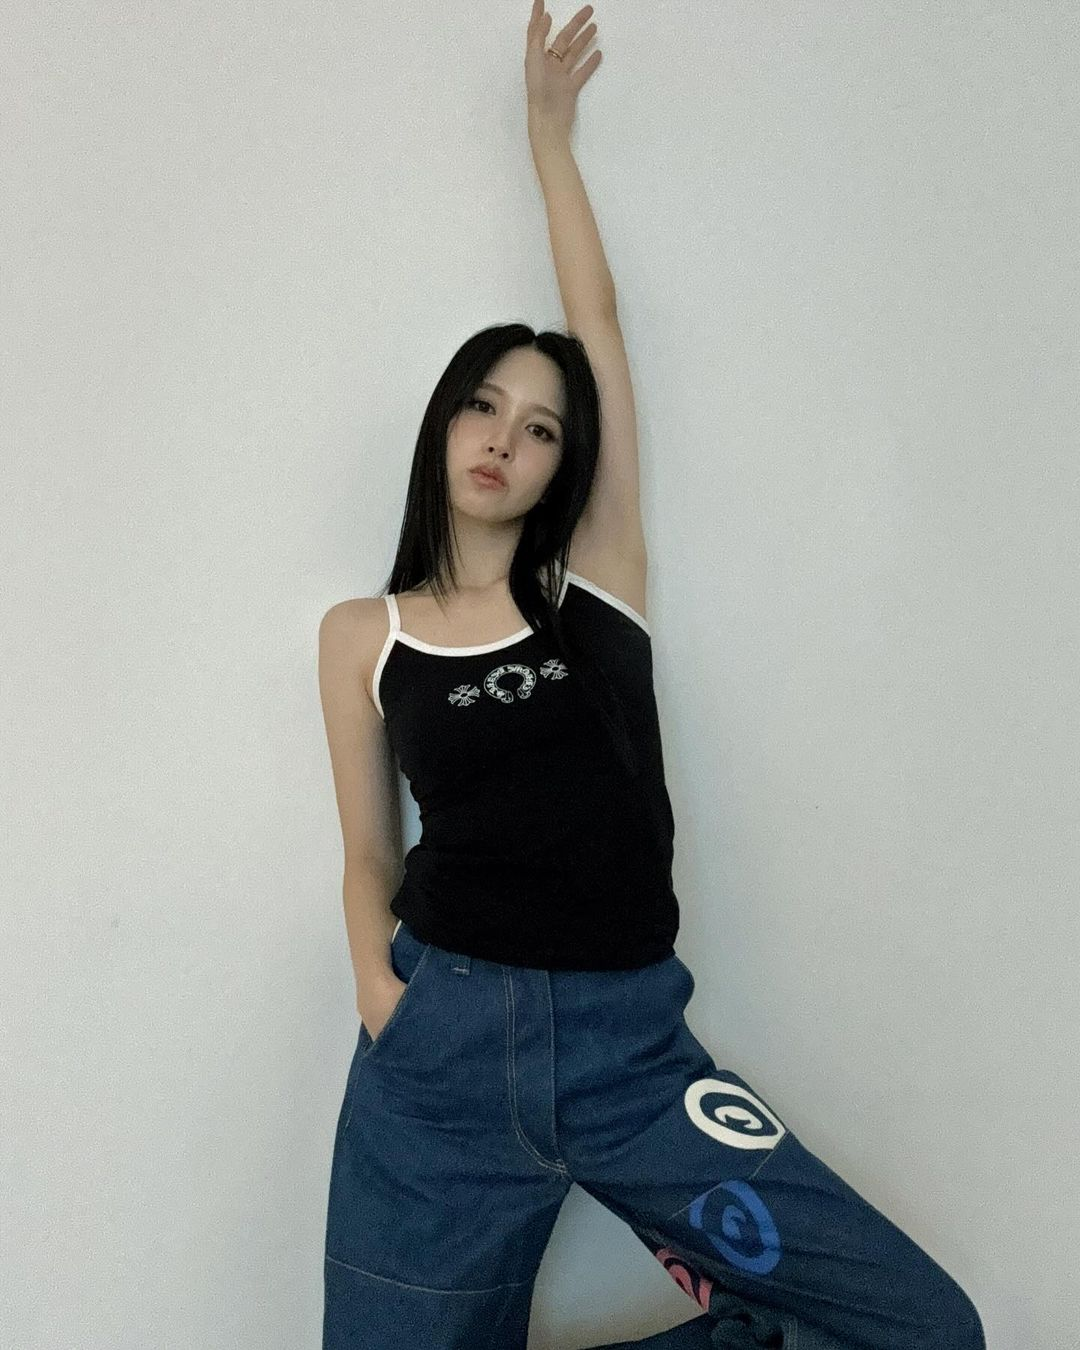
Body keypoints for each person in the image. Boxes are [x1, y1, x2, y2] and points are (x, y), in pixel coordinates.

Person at [316, 5, 986, 1347]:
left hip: (631, 1050)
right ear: (442, 423)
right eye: (482, 405)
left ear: (567, 464)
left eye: (540, 426)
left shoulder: (598, 587)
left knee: (923, 1328)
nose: (504, 437)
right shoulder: (362, 633)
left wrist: (548, 142)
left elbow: (598, 323)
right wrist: (380, 996)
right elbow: (366, 856)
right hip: (439, 1053)